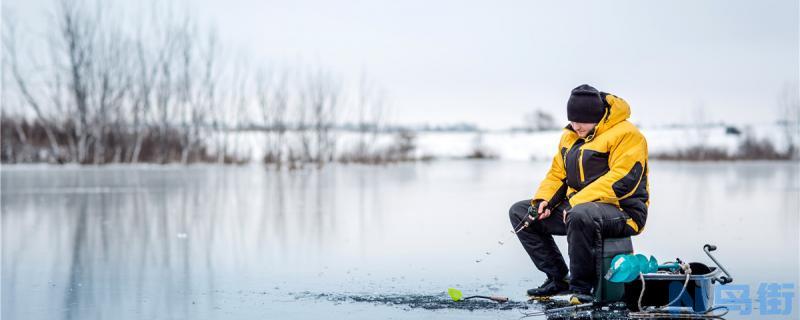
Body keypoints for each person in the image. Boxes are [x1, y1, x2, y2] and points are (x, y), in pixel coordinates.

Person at [508, 84, 649, 304]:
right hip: (579, 209)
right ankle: (557, 278)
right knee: (521, 213)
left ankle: (582, 288)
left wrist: (576, 202)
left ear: (597, 116)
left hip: (624, 211)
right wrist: (544, 201)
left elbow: (624, 179)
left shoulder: (627, 135)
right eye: (572, 120)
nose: (576, 126)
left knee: (580, 213)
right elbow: (557, 175)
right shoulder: (570, 136)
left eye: (581, 121)